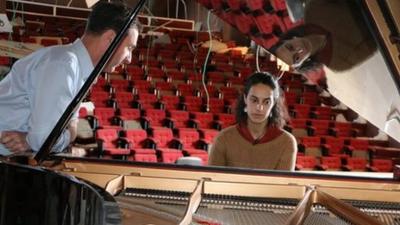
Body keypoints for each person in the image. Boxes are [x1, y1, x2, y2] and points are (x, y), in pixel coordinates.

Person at [0, 1, 140, 156]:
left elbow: (55, 132)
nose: (129, 59)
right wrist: (69, 135)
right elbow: (44, 140)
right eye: (129, 48)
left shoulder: (77, 68)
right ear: (110, 39)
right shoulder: (63, 65)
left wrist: (33, 140)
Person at [208, 72, 297, 171]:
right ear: (245, 99)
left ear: (273, 104)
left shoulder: (286, 142)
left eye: (266, 102)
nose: (259, 108)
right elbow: (212, 181)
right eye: (254, 100)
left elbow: (283, 185)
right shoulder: (223, 138)